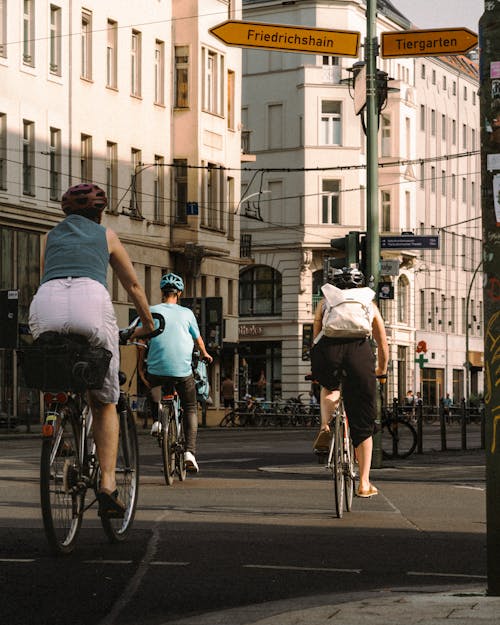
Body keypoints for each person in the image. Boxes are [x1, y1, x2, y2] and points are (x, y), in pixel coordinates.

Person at [29, 183, 155, 517]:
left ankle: (59, 426)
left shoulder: (48, 237)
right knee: (104, 400)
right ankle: (108, 486)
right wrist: (148, 323)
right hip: (90, 299)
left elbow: (47, 277)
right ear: (100, 212)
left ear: (65, 213)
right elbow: (133, 285)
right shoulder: (107, 235)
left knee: (54, 361)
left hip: (47, 300)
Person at [311, 267, 388, 499]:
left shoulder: (325, 303)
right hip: (359, 353)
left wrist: (317, 366)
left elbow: (315, 337)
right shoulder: (369, 303)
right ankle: (364, 483)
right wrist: (381, 371)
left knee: (330, 386)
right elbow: (382, 343)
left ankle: (326, 425)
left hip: (329, 350)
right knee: (363, 421)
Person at [137, 273, 213, 473]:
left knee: (152, 383)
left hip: (157, 370)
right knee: (189, 407)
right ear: (179, 294)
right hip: (181, 370)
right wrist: (205, 354)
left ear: (162, 293)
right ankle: (189, 452)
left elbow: (141, 341)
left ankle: (157, 421)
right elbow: (198, 340)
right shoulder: (187, 313)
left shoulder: (151, 311)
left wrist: (140, 368)